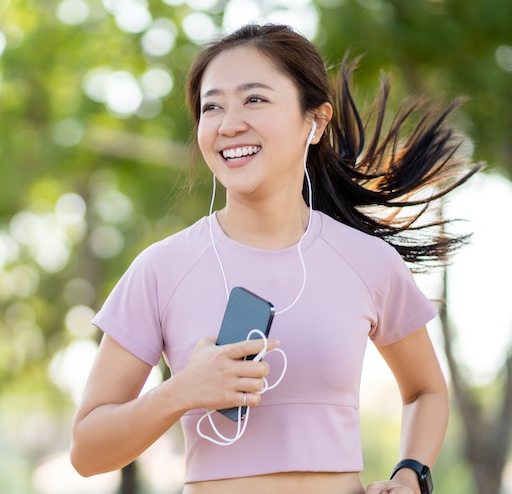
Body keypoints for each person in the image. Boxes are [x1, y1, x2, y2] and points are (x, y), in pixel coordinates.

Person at [70, 23, 479, 494]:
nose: (228, 123)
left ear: (316, 121)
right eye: (212, 107)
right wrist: (181, 391)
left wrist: (410, 476)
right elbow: (86, 450)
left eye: (254, 99)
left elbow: (426, 390)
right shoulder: (161, 269)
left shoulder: (368, 262)